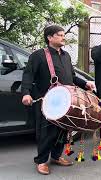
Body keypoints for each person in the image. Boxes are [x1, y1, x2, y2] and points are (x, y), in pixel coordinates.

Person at [21, 25, 95, 175]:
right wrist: (26, 93)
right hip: (47, 101)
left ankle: (56, 156)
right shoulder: (38, 55)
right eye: (60, 35)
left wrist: (85, 83)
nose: (63, 37)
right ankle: (41, 161)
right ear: (49, 37)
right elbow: (28, 75)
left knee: (62, 131)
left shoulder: (66, 55)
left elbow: (72, 77)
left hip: (66, 102)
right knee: (46, 132)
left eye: (63, 35)